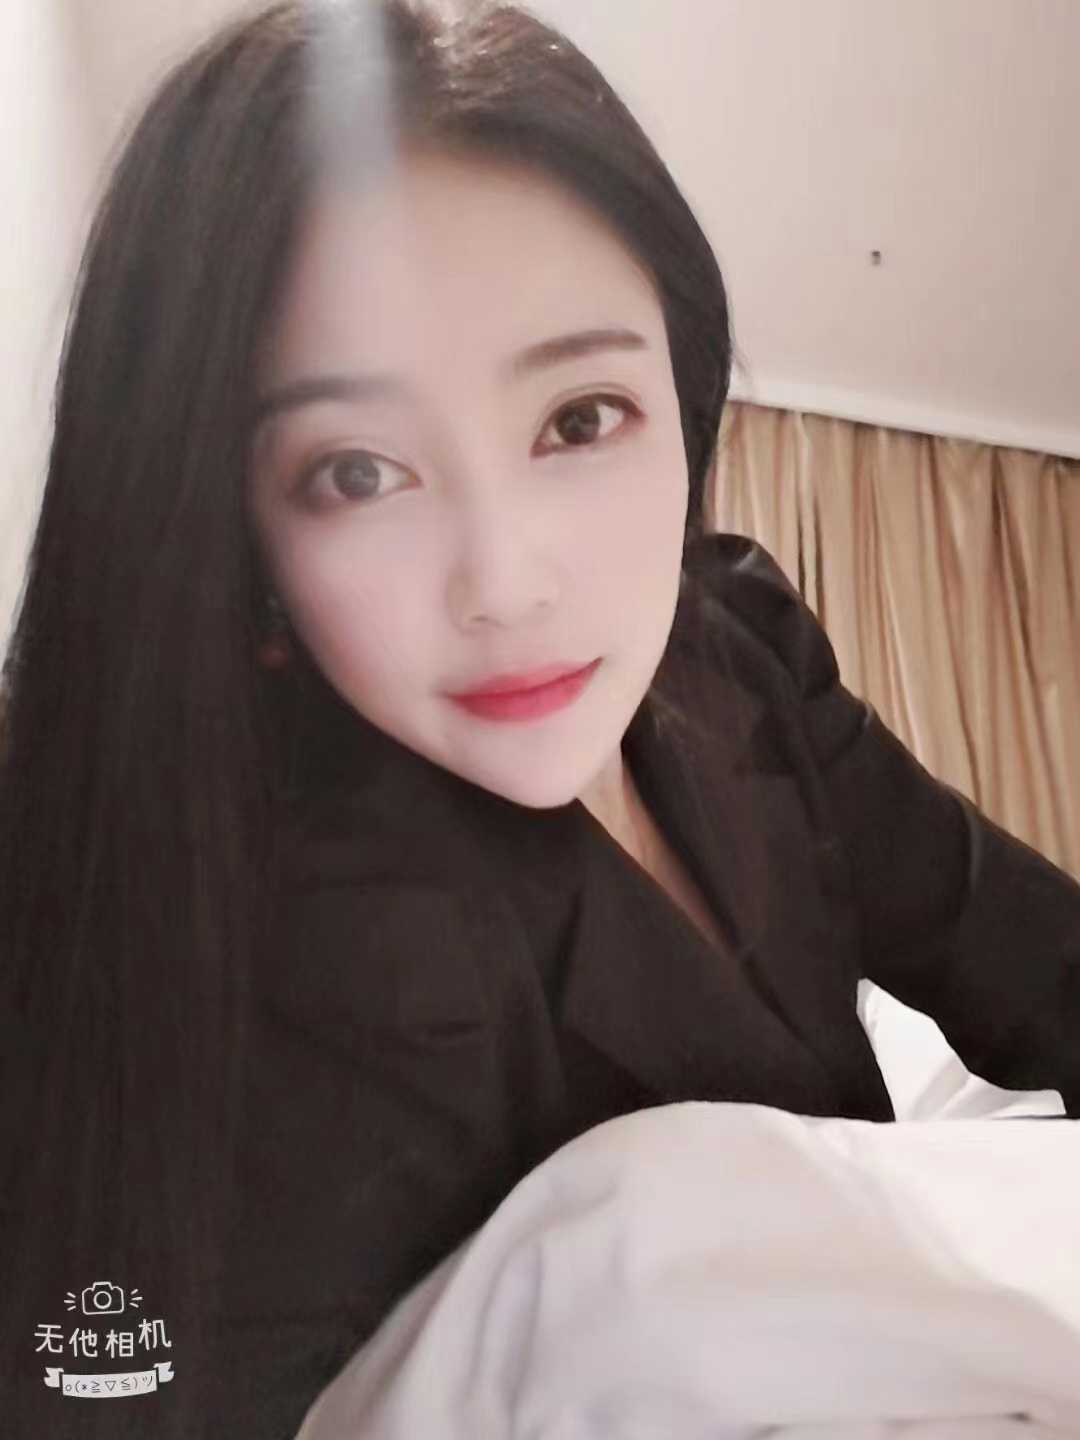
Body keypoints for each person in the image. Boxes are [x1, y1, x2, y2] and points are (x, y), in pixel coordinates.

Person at [0, 1, 1076, 1436]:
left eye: (579, 418)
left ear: (686, 399)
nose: (504, 583)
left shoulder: (738, 650)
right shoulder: (305, 954)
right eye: (356, 472)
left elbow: (1028, 952)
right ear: (241, 541)